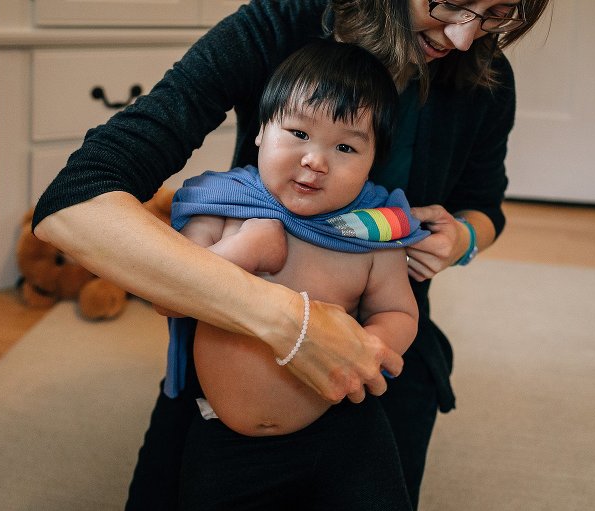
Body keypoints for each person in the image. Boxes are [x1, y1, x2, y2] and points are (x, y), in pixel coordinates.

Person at [31, 1, 552, 509]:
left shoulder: (484, 79)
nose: (464, 37)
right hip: (230, 338)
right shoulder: (276, 26)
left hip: (366, 363)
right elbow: (73, 203)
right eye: (449, 4)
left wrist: (462, 239)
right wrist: (291, 324)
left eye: (498, 14)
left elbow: (484, 206)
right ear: (265, 128)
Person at [161, 39, 427, 509]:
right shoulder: (223, 208)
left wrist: (371, 346)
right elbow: (170, 292)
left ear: (372, 162)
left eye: (345, 146)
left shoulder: (371, 232)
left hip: (340, 426)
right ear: (262, 130)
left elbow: (396, 309)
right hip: (223, 435)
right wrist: (243, 250)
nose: (316, 160)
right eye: (299, 133)